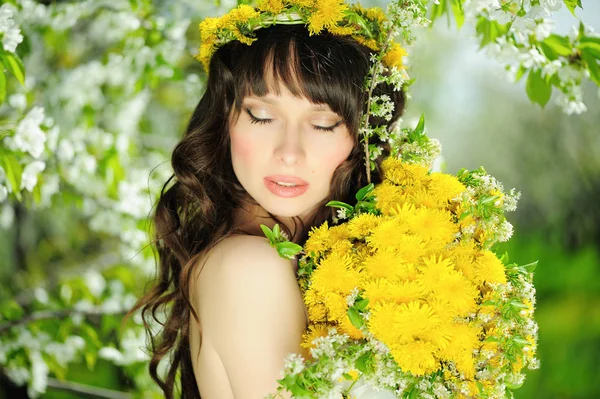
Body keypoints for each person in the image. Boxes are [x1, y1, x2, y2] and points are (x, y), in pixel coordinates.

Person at [130, 2, 406, 398]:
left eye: (323, 123)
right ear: (225, 120)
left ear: (363, 135)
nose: (289, 152)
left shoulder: (331, 258)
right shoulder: (249, 268)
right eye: (261, 115)